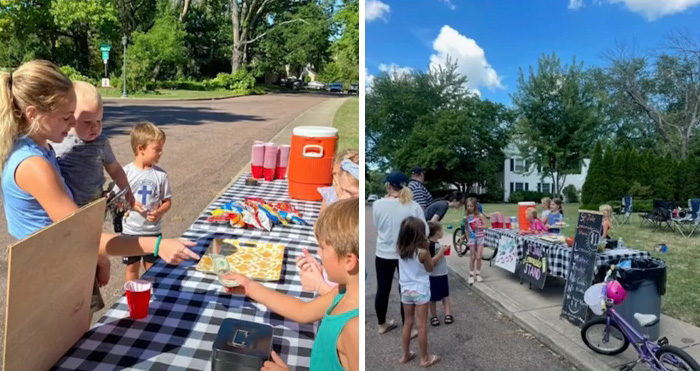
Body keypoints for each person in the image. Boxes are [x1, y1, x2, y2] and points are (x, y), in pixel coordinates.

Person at [0, 61, 198, 286]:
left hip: (57, 259)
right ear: (33, 114)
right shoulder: (33, 164)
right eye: (66, 117)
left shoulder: (41, 147)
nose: (74, 122)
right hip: (48, 270)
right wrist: (155, 245)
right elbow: (81, 234)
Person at [222, 198, 359, 371]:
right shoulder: (342, 291)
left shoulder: (355, 329)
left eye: (322, 248)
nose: (318, 252)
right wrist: (250, 287)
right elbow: (303, 311)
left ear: (349, 261)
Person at [51, 81, 135, 209]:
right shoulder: (57, 140)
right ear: (70, 117)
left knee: (94, 229)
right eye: (87, 122)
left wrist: (126, 190)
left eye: (99, 120)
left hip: (94, 204)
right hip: (65, 207)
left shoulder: (101, 143)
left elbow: (115, 169)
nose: (95, 127)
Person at [372, 171, 426, 336]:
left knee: (383, 289)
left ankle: (382, 324)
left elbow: (377, 226)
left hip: (383, 252)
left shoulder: (377, 204)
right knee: (405, 290)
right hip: (406, 253)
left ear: (389, 186)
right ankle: (407, 328)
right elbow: (425, 229)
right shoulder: (413, 206)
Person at [121, 122, 173, 281]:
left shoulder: (160, 175)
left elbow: (167, 201)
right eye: (156, 149)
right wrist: (127, 205)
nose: (160, 153)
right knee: (131, 269)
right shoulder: (126, 173)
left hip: (152, 231)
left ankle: (151, 296)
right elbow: (117, 200)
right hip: (130, 231)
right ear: (140, 149)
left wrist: (159, 212)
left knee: (153, 270)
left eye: (161, 149)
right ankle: (131, 297)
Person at [397, 217, 440, 368]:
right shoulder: (422, 252)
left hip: (405, 289)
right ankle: (425, 358)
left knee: (408, 322)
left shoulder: (400, 249)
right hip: (420, 289)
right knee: (421, 325)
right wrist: (428, 249)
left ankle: (405, 355)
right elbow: (430, 268)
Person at [427, 221, 452, 327]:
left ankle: (444, 314)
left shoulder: (433, 244)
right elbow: (432, 261)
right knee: (434, 297)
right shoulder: (431, 245)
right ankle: (437, 315)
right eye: (442, 230)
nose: (443, 232)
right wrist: (442, 251)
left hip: (440, 274)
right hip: (435, 275)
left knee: (443, 295)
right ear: (437, 233)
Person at [465, 197, 487, 284]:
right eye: (468, 206)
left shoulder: (480, 215)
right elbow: (466, 229)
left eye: (471, 206)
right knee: (472, 257)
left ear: (475, 206)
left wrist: (479, 227)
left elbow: (486, 226)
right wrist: (468, 239)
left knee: (479, 257)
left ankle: (478, 274)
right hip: (472, 238)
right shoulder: (467, 217)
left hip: (480, 237)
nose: (469, 207)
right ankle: (471, 275)